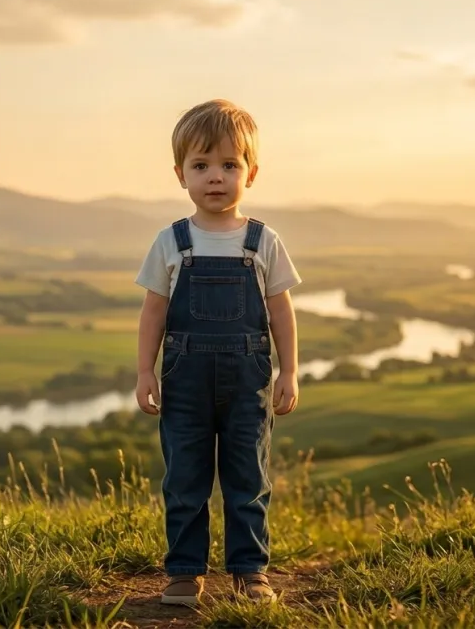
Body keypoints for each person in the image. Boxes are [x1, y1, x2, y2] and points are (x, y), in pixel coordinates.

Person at [134, 99, 302, 606]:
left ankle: (250, 571)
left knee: (247, 478)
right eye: (201, 165)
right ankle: (184, 571)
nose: (215, 177)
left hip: (248, 380)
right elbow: (153, 314)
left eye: (229, 165)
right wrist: (146, 371)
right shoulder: (171, 241)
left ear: (251, 172)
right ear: (180, 173)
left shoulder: (262, 241)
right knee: (184, 478)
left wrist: (289, 372)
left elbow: (281, 311)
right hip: (184, 382)